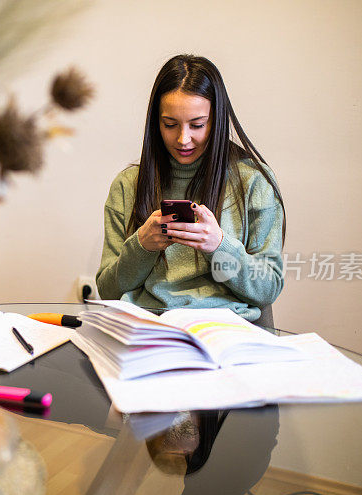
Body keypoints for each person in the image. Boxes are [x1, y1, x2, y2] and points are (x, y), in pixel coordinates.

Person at [96, 55, 285, 322]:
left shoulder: (253, 181)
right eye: (170, 125)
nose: (183, 139)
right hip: (150, 328)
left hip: (226, 330)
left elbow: (267, 288)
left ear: (217, 121)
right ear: (155, 123)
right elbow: (107, 291)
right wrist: (142, 247)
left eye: (197, 124)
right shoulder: (128, 185)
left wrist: (219, 246)